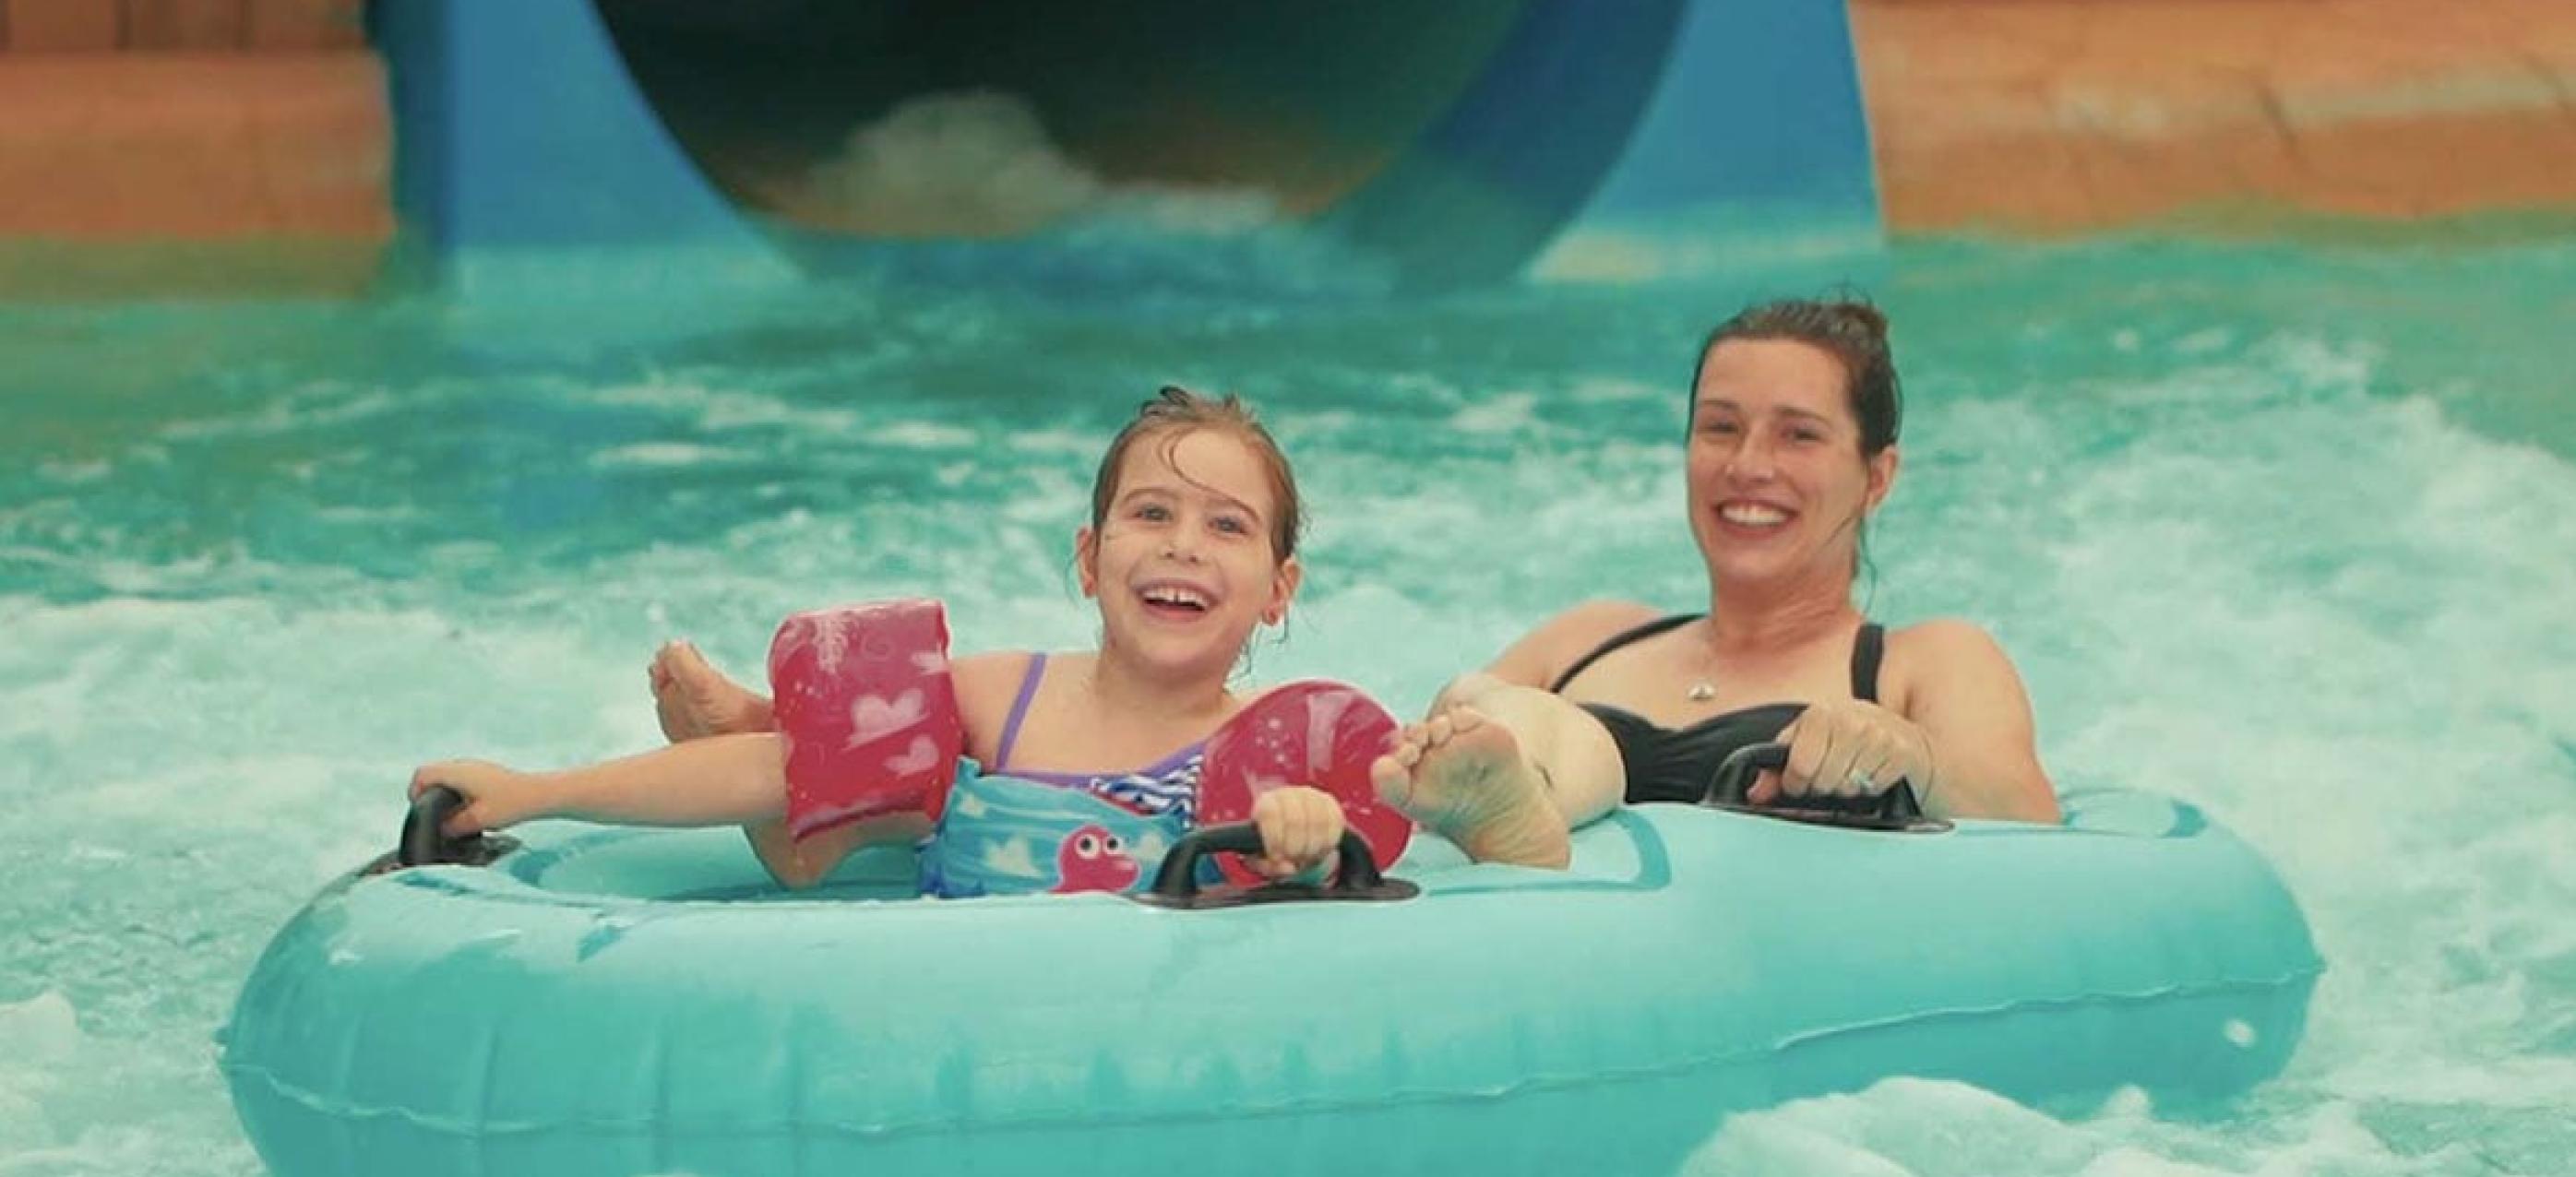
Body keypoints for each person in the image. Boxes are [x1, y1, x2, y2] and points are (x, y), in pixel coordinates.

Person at [413, 387, 1495, 887]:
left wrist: (1304, 833)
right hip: (954, 1020)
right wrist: (536, 792)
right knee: (818, 784)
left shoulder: (1286, 745)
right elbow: (774, 775)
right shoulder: (999, 700)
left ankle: (780, 750)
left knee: (839, 807)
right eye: (1151, 514)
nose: (1183, 546)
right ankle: (781, 751)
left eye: (1227, 527)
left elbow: (1367, 847)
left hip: (1152, 1046)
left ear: (1278, 590)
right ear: (1089, 559)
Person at [1366, 298, 2063, 868]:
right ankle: (1524, 812)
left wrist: (1912, 756)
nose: (1748, 466)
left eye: (1799, 436)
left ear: (1876, 477)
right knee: (1482, 700)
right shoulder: (1589, 635)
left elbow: (2030, 820)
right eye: (1721, 428)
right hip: (1552, 932)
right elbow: (1412, 778)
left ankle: (1533, 813)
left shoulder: (1924, 660)